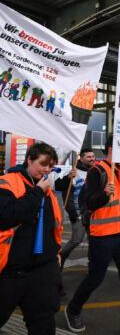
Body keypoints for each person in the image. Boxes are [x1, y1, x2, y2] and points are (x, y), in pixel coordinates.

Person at [64, 136, 120, 335]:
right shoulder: (97, 171)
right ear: (113, 148)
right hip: (102, 237)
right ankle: (73, 309)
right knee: (95, 278)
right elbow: (90, 203)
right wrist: (104, 193)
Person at [0, 142, 62, 334]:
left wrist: (56, 252)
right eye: (43, 164)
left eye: (51, 166)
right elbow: (7, 217)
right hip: (10, 272)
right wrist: (37, 193)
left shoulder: (46, 189)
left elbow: (53, 225)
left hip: (41, 270)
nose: (46, 170)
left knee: (43, 325)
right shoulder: (7, 182)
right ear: (29, 159)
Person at [55, 148, 96, 267]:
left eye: (93, 156)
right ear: (81, 158)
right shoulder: (74, 171)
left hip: (92, 214)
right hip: (79, 214)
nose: (92, 159)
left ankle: (92, 265)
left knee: (94, 242)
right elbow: (62, 190)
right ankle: (60, 261)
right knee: (76, 240)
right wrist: (73, 214)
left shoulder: (95, 171)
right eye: (88, 157)